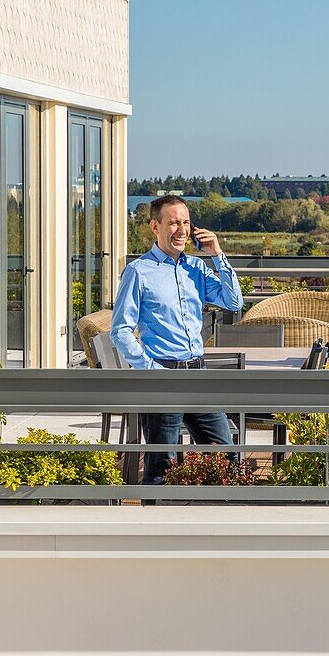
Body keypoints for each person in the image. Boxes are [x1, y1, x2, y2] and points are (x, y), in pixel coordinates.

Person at [110, 195, 243, 484]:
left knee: (226, 453)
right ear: (155, 227)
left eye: (185, 222)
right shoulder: (138, 272)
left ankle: (209, 522)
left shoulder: (196, 268)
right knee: (161, 467)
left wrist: (217, 255)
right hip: (161, 378)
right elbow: (120, 330)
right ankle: (153, 524)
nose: (181, 229)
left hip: (198, 375)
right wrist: (150, 370)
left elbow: (233, 303)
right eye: (173, 223)